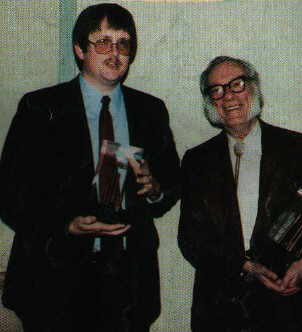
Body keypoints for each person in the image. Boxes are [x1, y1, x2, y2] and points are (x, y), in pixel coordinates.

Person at [0, 3, 180, 332]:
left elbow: (170, 185)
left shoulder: (151, 110)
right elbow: (9, 195)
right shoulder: (40, 107)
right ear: (80, 50)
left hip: (129, 283)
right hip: (53, 280)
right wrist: (66, 225)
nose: (114, 52)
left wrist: (156, 190)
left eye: (123, 42)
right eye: (102, 42)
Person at [178, 56, 302, 332]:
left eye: (237, 84)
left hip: (286, 308)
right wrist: (245, 266)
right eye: (217, 90)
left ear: (254, 88)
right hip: (219, 310)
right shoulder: (197, 160)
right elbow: (191, 239)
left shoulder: (297, 149)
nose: (228, 96)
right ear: (210, 102)